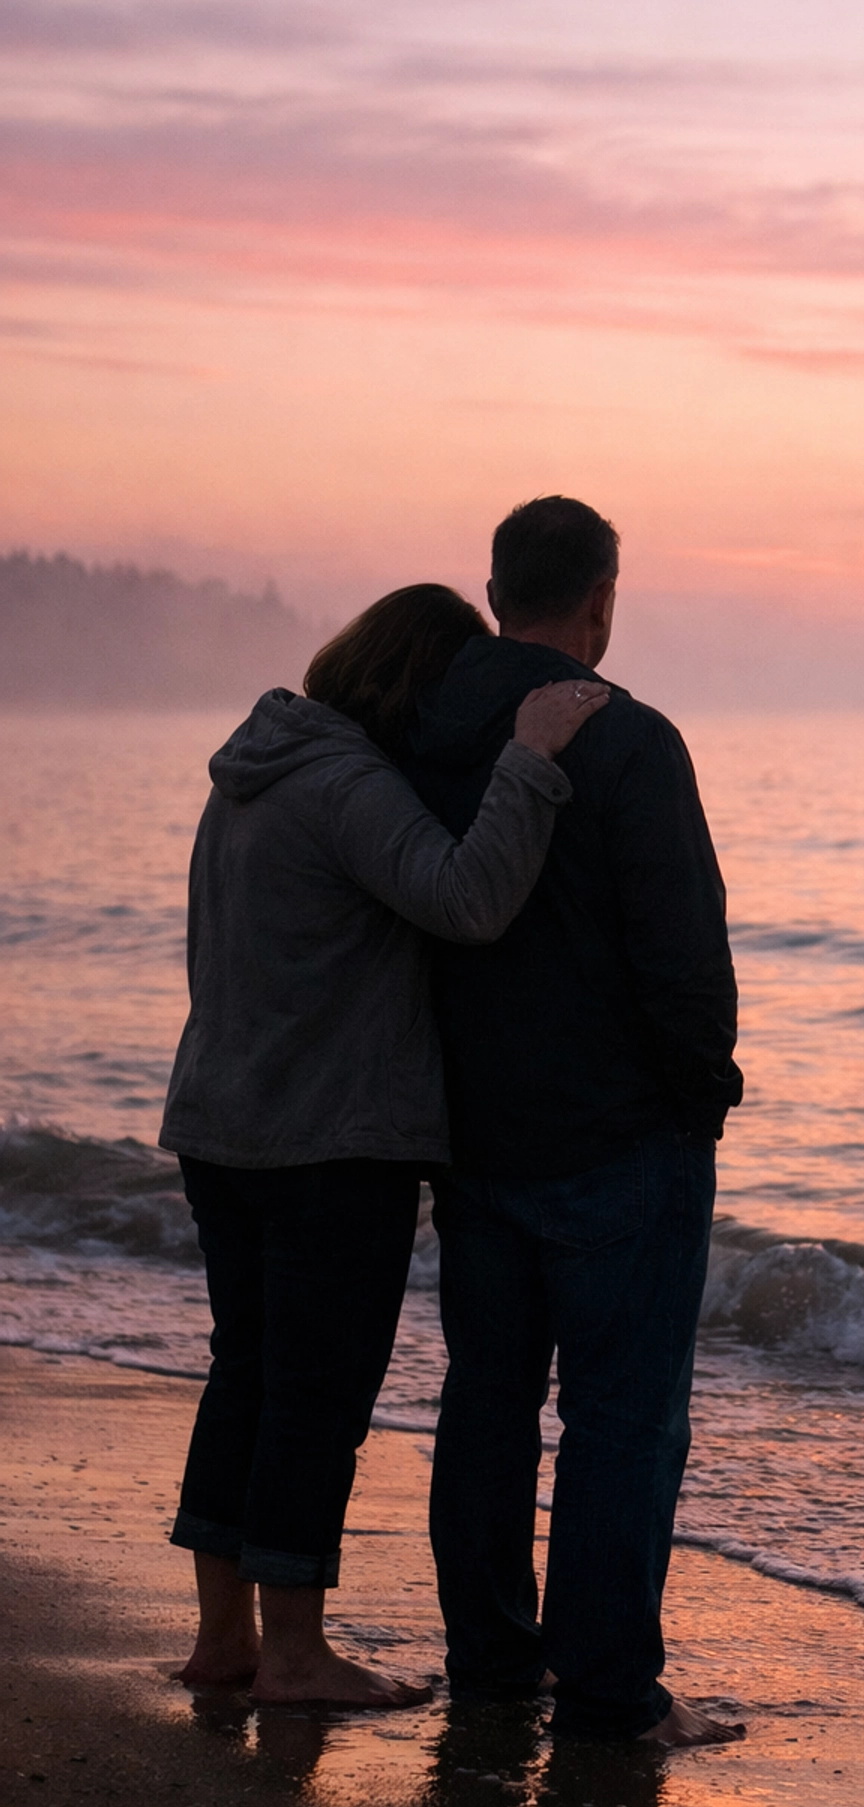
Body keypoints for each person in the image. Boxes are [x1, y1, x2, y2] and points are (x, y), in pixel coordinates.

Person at [161, 584, 607, 1707]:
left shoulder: (248, 776)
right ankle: (299, 1657)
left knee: (247, 1376)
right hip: (326, 1144)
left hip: (223, 1126)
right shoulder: (348, 781)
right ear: (420, 681)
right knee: (315, 1397)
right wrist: (529, 759)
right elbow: (466, 900)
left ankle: (227, 1641)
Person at [401, 495, 744, 1748]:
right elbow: (681, 952)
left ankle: (492, 1665)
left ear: (497, 595)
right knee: (621, 1418)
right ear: (602, 598)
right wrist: (702, 1094)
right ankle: (607, 1694)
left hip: (473, 1131)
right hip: (617, 1135)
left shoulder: (421, 732)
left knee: (487, 1401)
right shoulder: (630, 739)